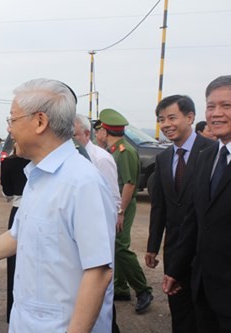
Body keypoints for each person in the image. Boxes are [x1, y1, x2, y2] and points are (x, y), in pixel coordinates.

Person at [0, 78, 116, 332]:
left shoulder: (82, 183)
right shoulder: (36, 176)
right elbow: (17, 236)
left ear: (40, 121)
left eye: (12, 119)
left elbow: (98, 273)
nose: (9, 129)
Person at [163, 75, 231, 332]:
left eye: (226, 106)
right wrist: (176, 269)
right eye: (211, 106)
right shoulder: (207, 156)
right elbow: (195, 219)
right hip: (203, 289)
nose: (216, 114)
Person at [146, 95, 214, 333]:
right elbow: (159, 206)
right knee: (180, 310)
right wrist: (153, 245)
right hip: (174, 249)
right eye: (161, 119)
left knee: (206, 313)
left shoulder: (213, 151)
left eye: (172, 117)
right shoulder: (163, 158)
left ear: (190, 117)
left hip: (205, 249)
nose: (166, 124)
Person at [99, 108, 154, 313]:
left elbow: (130, 184)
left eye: (100, 130)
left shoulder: (125, 152)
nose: (98, 134)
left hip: (123, 205)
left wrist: (120, 211)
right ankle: (121, 287)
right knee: (115, 246)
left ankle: (143, 290)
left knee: (121, 246)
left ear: (105, 131)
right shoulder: (114, 151)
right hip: (117, 205)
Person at [74, 114, 122, 333]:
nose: (70, 140)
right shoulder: (74, 157)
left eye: (73, 135)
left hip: (99, 230)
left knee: (102, 288)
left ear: (86, 133)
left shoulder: (100, 158)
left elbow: (113, 197)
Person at [0, 144, 29, 323]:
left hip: (17, 210)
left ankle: (13, 310)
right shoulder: (38, 159)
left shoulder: (8, 163)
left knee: (14, 263)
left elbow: (7, 193)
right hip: (38, 208)